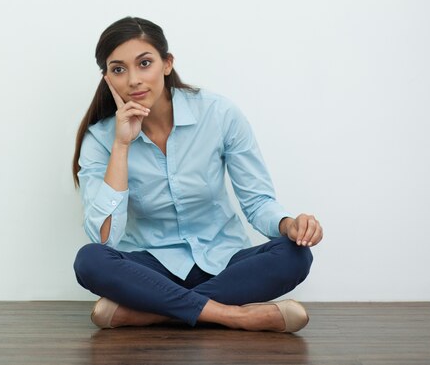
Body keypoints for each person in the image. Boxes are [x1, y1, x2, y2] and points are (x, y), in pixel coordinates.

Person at [72, 16, 323, 332]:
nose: (133, 79)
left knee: (295, 255)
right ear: (107, 77)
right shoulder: (100, 138)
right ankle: (236, 316)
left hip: (223, 262)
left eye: (144, 63)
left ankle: (152, 313)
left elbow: (258, 201)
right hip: (152, 269)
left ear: (167, 63)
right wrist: (121, 145)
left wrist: (289, 225)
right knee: (90, 261)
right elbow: (105, 237)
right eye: (119, 69)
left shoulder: (219, 114)